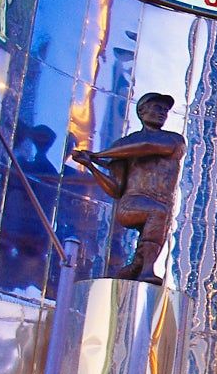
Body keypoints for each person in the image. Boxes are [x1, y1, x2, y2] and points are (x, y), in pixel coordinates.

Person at [69, 92, 186, 282]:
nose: (162, 113)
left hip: (162, 207)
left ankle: (137, 267)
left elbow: (147, 145)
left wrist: (98, 155)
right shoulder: (122, 146)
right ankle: (146, 270)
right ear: (142, 111)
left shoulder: (174, 140)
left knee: (160, 217)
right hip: (132, 204)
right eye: (157, 107)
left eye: (165, 110)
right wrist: (91, 166)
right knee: (158, 212)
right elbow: (115, 189)